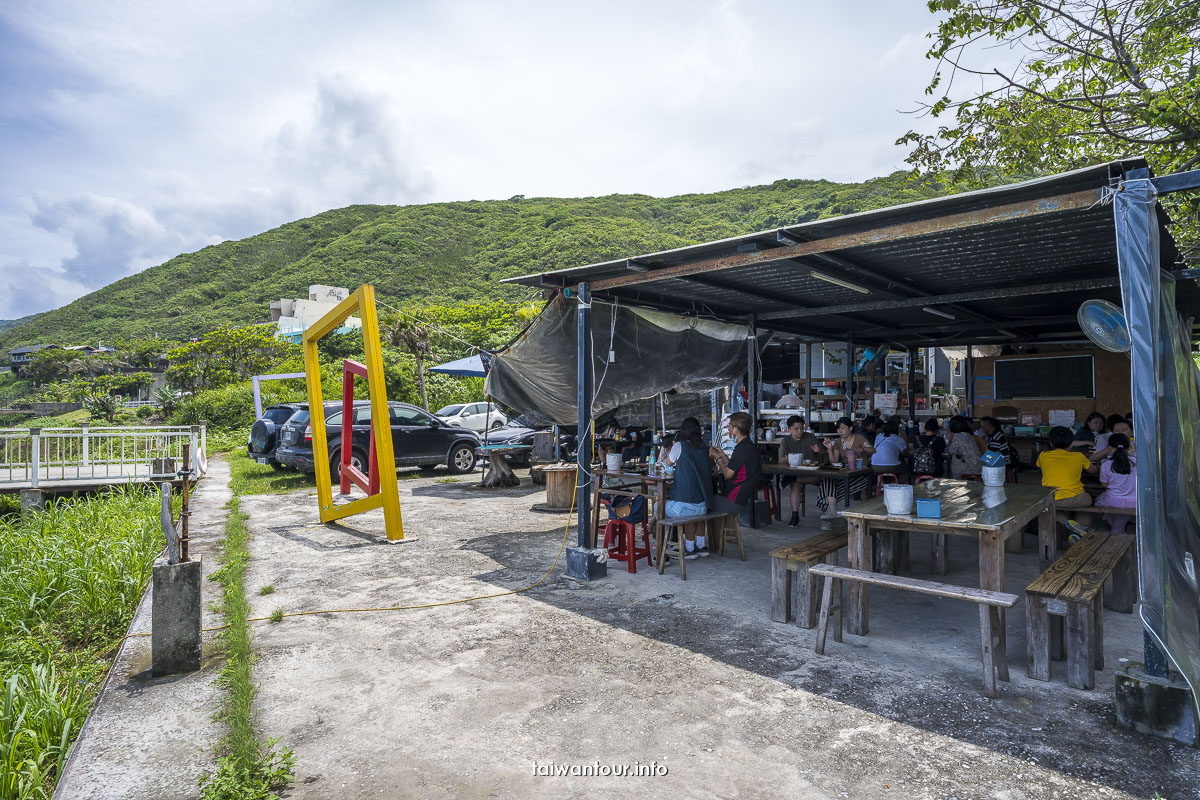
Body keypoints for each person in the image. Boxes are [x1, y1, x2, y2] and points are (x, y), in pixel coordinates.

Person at [664, 416, 714, 559]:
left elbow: (668, 463)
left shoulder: (679, 446)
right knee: (696, 510)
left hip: (686, 506)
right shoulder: (705, 449)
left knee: (658, 507)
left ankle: (671, 548)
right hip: (704, 505)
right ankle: (699, 545)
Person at [1036, 425, 1098, 541]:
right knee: (1088, 503)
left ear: (1051, 443)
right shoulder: (1079, 456)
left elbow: (1039, 466)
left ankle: (1067, 522)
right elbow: (1093, 470)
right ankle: (1080, 533)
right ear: (1071, 444)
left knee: (1051, 508)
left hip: (1051, 498)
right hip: (1076, 497)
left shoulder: (1043, 456)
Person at [708, 411, 761, 527]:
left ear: (736, 429)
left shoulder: (742, 449)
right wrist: (722, 454)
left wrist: (717, 459)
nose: (728, 430)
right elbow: (734, 466)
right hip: (741, 499)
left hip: (733, 501)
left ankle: (700, 542)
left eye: (730, 427)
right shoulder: (748, 446)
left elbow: (727, 474)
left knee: (700, 503)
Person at [818, 417, 875, 514]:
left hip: (860, 474)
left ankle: (828, 508)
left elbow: (873, 450)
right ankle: (832, 511)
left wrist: (864, 449)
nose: (840, 431)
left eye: (843, 428)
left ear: (850, 428)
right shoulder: (838, 442)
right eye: (838, 428)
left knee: (828, 488)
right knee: (828, 479)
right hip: (845, 474)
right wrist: (830, 449)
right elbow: (834, 462)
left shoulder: (859, 438)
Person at [777, 415, 826, 527]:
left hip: (814, 473)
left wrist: (819, 450)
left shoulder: (810, 437)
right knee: (795, 485)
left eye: (801, 428)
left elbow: (823, 452)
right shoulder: (786, 441)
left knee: (794, 480)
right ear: (789, 429)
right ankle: (795, 515)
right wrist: (789, 458)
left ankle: (791, 478)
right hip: (798, 473)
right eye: (796, 429)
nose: (800, 431)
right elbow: (781, 460)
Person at [1094, 432, 1136, 533]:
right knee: (1118, 515)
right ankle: (1119, 531)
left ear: (1110, 447)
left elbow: (1105, 485)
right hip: (1134, 502)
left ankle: (1117, 533)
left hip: (1113, 500)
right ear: (1129, 448)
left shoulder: (1106, 465)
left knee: (1101, 503)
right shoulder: (1136, 461)